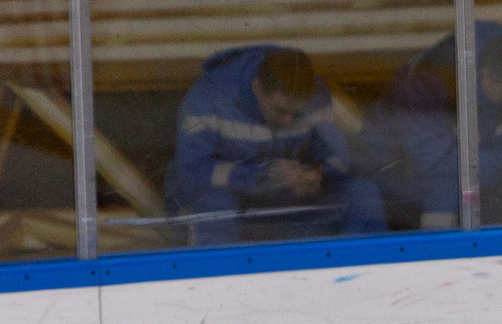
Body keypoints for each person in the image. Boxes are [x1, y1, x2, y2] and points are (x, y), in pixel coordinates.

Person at [164, 46, 384, 246]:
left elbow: (336, 156)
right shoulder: (207, 99)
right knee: (216, 207)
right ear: (257, 87)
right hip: (229, 205)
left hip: (290, 201)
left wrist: (316, 174)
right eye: (280, 111)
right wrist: (260, 176)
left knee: (363, 193)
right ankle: (217, 279)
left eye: (297, 114)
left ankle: (359, 276)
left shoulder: (317, 94)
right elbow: (190, 173)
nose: (289, 121)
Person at [355, 22, 502, 230]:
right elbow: (431, 162)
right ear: (487, 76)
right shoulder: (427, 80)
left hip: (475, 167)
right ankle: (439, 256)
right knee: (445, 190)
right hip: (397, 170)